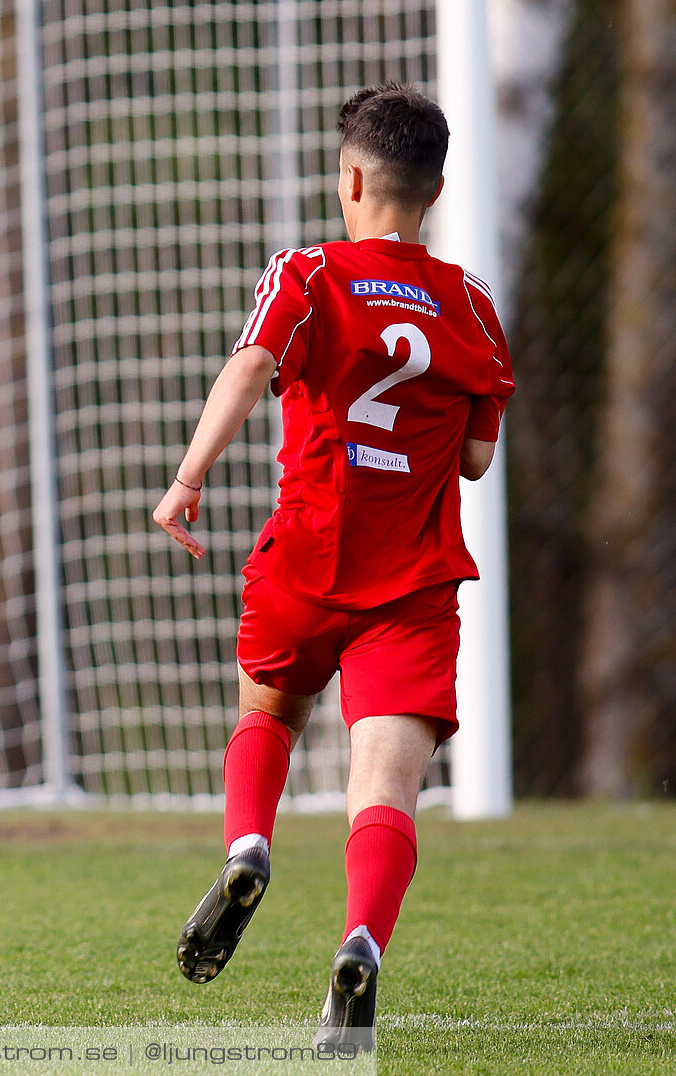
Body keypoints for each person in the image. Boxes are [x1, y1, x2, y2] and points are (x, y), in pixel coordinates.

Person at [152, 84, 513, 1049]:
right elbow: (476, 457)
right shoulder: (472, 308)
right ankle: (360, 941)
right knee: (384, 786)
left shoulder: (307, 274)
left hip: (307, 561)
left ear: (351, 179)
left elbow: (251, 366)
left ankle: (248, 845)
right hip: (415, 587)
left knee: (267, 711)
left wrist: (188, 478)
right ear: (434, 190)